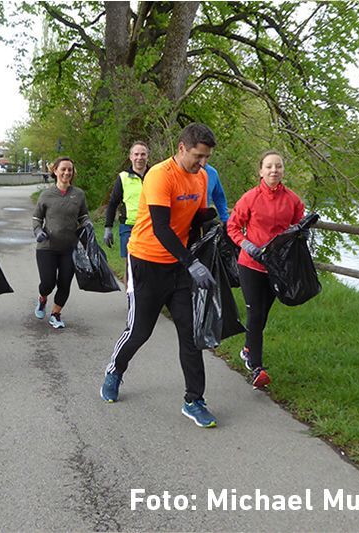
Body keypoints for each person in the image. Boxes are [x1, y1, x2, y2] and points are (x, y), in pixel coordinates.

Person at [99, 123, 219, 428]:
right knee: (140, 331)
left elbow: (196, 220)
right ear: (181, 148)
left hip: (178, 267)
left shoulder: (202, 177)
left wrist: (218, 225)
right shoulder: (160, 175)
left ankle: (194, 400)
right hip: (146, 263)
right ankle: (115, 370)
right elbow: (162, 228)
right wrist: (192, 262)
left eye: (206, 157)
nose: (202, 163)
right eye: (198, 156)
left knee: (190, 335)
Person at [226, 150, 304, 389]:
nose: (274, 170)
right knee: (255, 313)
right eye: (269, 166)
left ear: (283, 171)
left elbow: (299, 224)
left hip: (276, 267)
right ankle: (257, 368)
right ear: (260, 171)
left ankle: (248, 348)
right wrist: (247, 245)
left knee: (262, 316)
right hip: (250, 264)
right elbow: (233, 227)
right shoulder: (250, 198)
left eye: (278, 166)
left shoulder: (292, 199)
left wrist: (302, 232)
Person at [32, 156, 91, 329]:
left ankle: (56, 314)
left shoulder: (78, 194)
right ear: (55, 171)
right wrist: (38, 232)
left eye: (69, 170)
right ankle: (42, 299)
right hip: (47, 247)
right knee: (48, 283)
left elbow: (83, 215)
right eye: (63, 169)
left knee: (65, 283)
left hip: (69, 248)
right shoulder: (46, 195)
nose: (66, 172)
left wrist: (87, 223)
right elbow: (37, 217)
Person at [103, 141, 149, 259]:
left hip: (150, 227)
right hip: (129, 227)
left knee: (150, 265)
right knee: (129, 265)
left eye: (143, 154)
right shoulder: (123, 177)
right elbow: (113, 203)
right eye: (136, 154)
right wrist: (108, 228)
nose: (139, 158)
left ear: (147, 156)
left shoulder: (155, 175)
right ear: (131, 157)